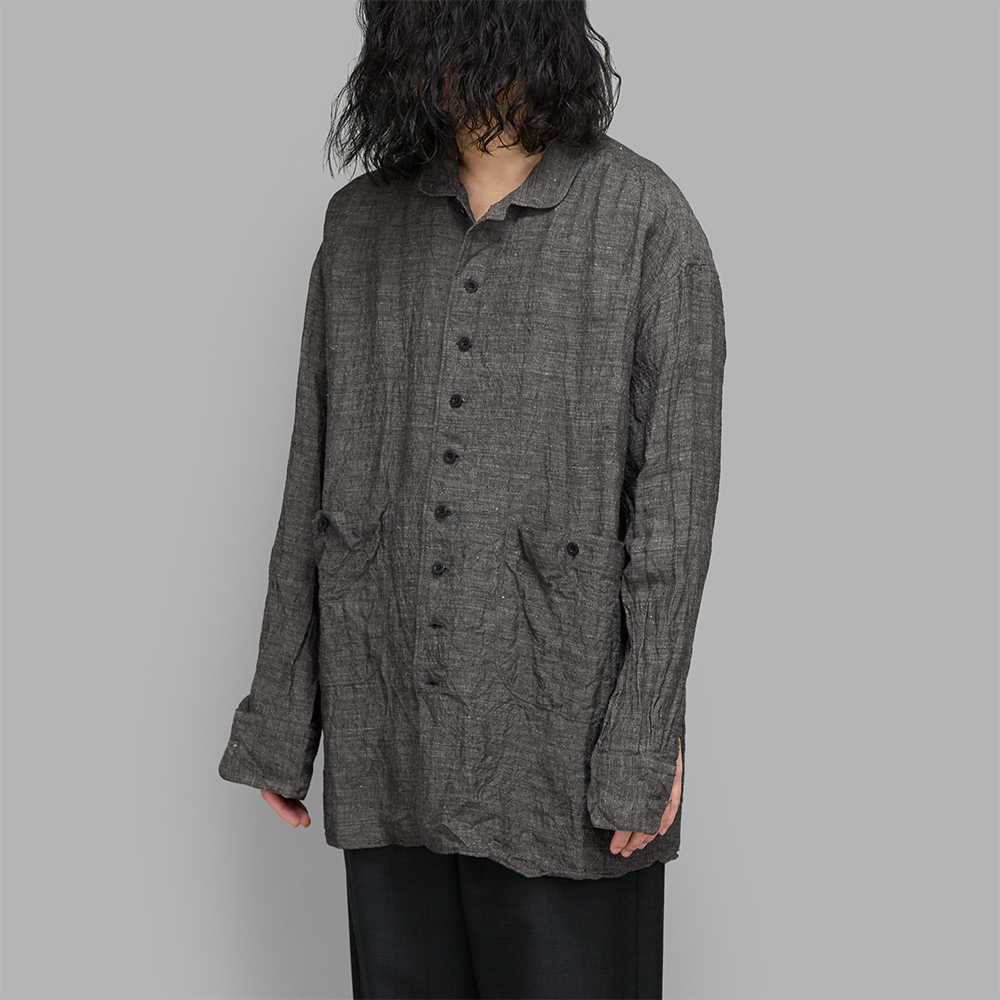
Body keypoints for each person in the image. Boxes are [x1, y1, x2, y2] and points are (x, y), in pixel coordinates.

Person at [218, 2, 726, 997]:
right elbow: (312, 477)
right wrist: (282, 718)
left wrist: (643, 735)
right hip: (389, 728)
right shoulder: (359, 226)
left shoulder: (644, 221)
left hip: (558, 746)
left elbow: (674, 513)